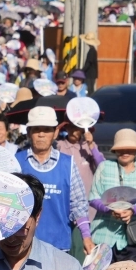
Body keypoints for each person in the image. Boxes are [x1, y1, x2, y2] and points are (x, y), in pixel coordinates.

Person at [17, 106, 94, 254]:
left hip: (58, 246)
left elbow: (78, 204)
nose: (41, 134)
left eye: (46, 129)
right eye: (36, 129)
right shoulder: (17, 161)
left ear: (55, 133)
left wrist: (86, 236)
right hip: (22, 245)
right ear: (28, 133)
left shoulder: (68, 164)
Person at [89, 128, 136, 266]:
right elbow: (93, 197)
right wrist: (109, 210)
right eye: (121, 149)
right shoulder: (104, 167)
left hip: (135, 236)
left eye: (130, 149)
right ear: (115, 150)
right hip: (105, 236)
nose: (125, 152)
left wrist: (133, 211)